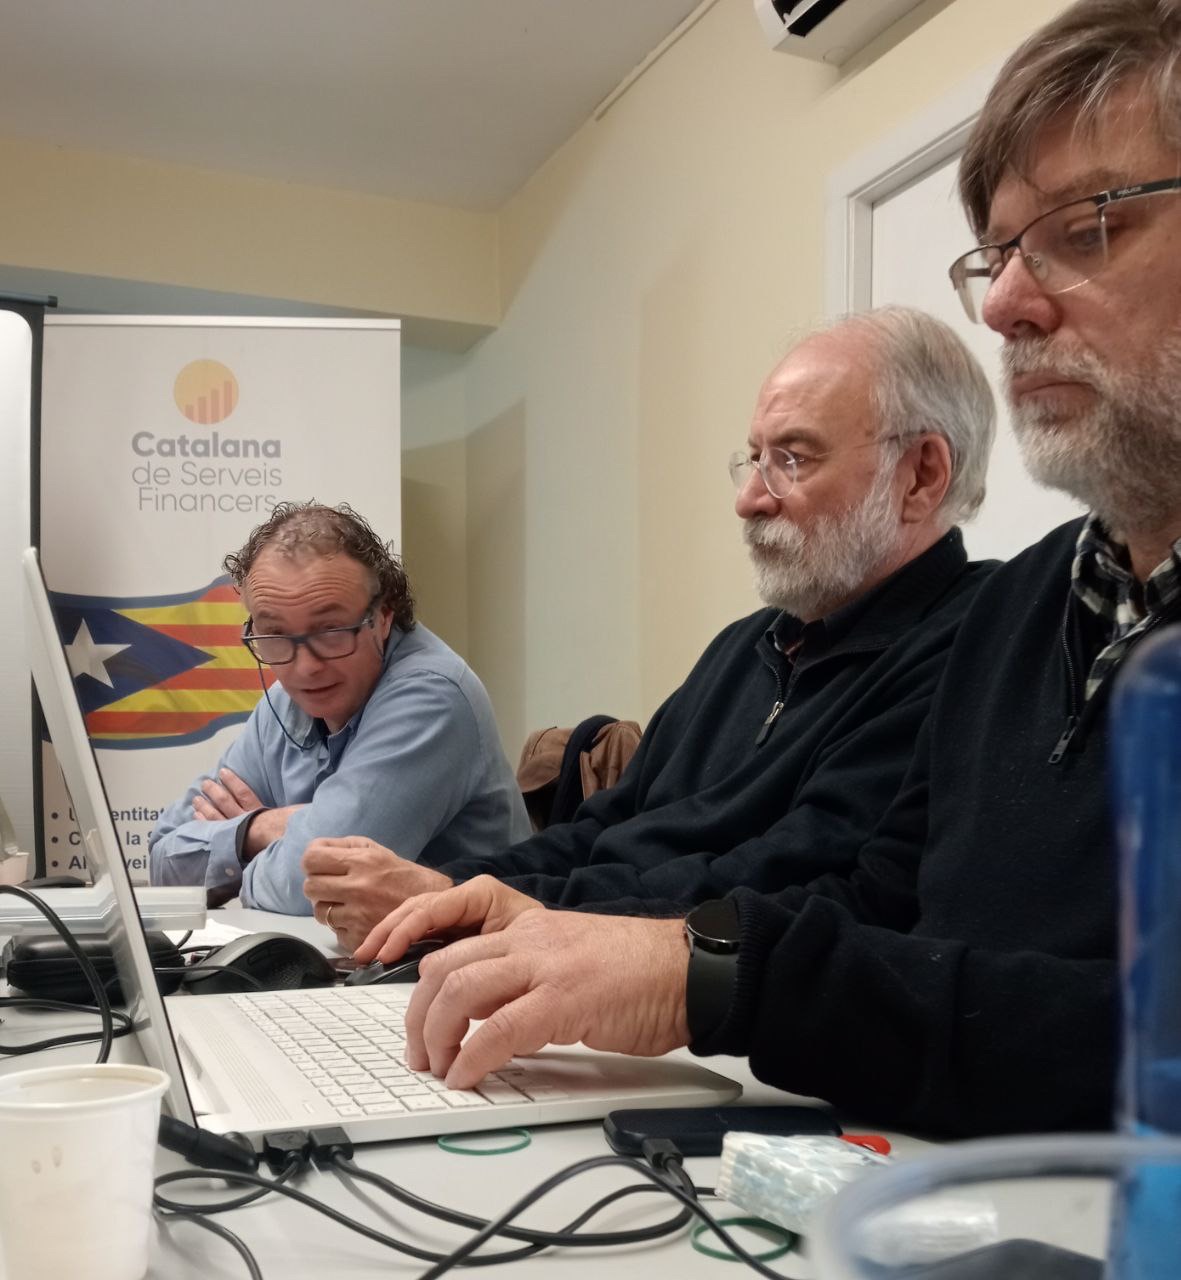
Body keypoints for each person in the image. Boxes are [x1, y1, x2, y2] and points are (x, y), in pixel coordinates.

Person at [353, 0, 1181, 1138]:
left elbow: (1138, 1033)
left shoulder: (959, 621)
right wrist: (604, 935)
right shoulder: (1025, 609)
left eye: (1084, 227)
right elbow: (880, 900)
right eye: (996, 254)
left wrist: (704, 974)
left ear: (921, 476)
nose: (1001, 305)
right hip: (916, 1175)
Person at [308, 305, 997, 950]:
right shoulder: (746, 646)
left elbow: (780, 884)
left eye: (792, 458)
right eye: (754, 459)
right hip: (581, 954)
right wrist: (450, 890)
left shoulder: (973, 651)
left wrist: (487, 909)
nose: (748, 499)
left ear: (920, 475)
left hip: (693, 997)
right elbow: (606, 828)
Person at [149, 502, 531, 912]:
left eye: (330, 630)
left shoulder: (433, 695)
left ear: (384, 616)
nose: (305, 668)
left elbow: (310, 890)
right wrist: (257, 828)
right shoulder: (283, 702)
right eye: (274, 634)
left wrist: (237, 857)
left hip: (459, 947)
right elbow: (164, 863)